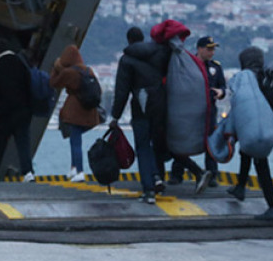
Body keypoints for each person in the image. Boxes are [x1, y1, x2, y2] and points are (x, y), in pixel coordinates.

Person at [111, 27, 166, 203]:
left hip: (140, 107)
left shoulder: (126, 60)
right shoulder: (159, 54)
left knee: (142, 146)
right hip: (159, 103)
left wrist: (115, 116)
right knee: (153, 144)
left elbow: (122, 91)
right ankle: (157, 176)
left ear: (129, 40)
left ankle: (148, 190)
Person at [226, 46, 273, 220]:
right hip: (268, 124)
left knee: (261, 165)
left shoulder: (249, 79)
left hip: (255, 127)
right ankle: (240, 187)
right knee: (245, 153)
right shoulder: (267, 76)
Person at [0, 38, 36, 183]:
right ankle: (28, 173)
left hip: (3, 113)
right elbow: (29, 85)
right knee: (23, 143)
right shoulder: (20, 63)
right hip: (22, 111)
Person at [171, 35, 224, 189]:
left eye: (213, 49)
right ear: (200, 49)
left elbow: (223, 87)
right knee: (183, 141)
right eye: (209, 49)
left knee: (211, 144)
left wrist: (221, 92)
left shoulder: (215, 68)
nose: (212, 52)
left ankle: (211, 175)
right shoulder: (188, 65)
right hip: (189, 111)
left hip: (209, 111)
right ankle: (177, 174)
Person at [50, 44, 101, 182]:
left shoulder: (69, 73)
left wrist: (56, 67)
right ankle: (74, 168)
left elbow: (54, 82)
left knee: (75, 142)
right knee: (76, 140)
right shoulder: (88, 70)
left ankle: (79, 171)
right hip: (89, 111)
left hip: (75, 111)